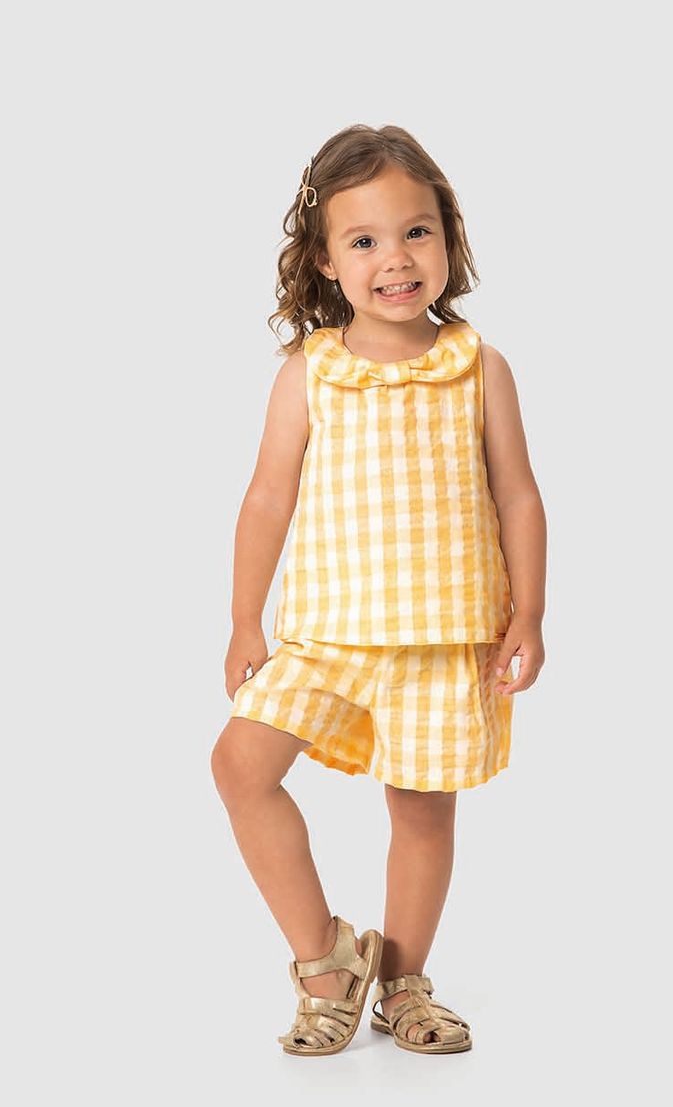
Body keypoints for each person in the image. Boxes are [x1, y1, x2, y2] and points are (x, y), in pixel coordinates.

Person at [210, 123, 547, 1057]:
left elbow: (518, 494)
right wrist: (243, 619)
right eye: (364, 240)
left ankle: (403, 983)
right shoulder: (310, 373)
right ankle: (327, 964)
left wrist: (529, 612)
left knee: (422, 811)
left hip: (444, 637)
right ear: (326, 259)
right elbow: (267, 497)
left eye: (416, 232)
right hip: (328, 635)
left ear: (448, 238)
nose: (394, 259)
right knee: (240, 766)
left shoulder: (478, 367)